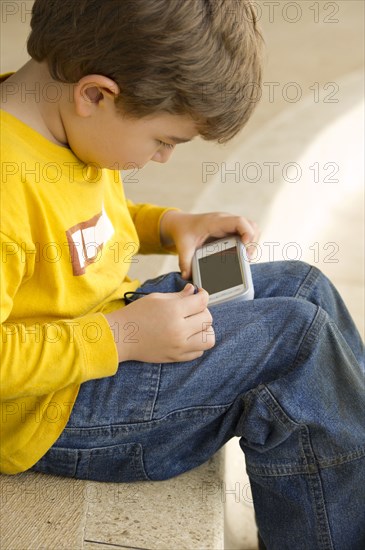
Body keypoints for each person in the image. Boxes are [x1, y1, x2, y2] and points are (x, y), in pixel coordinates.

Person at [0, 1, 364, 548]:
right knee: (296, 342)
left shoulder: (60, 123)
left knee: (304, 285)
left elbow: (78, 228)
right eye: (165, 141)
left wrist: (169, 224)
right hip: (52, 412)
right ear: (95, 94)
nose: (166, 158)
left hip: (105, 334)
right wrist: (124, 336)